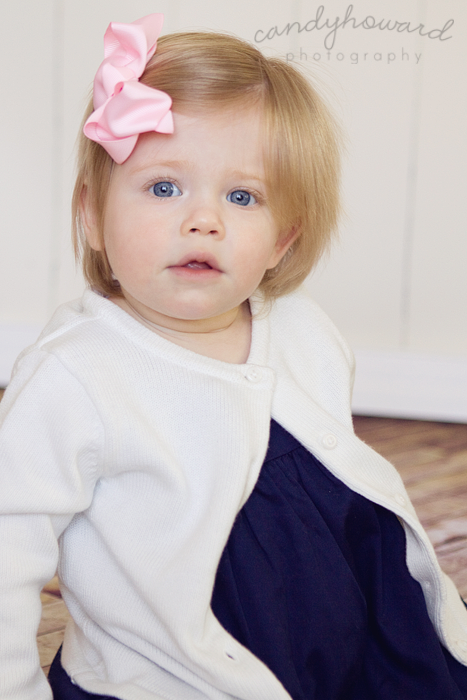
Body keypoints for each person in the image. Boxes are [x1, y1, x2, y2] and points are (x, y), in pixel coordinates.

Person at [1, 12, 467, 700]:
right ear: (92, 214)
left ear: (282, 241)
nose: (204, 220)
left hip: (346, 648)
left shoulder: (304, 331)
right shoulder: (76, 376)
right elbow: (8, 549)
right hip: (174, 677)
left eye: (242, 196)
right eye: (164, 187)